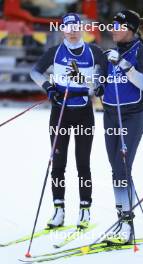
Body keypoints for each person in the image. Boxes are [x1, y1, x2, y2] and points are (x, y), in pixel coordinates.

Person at [30, 13, 106, 228]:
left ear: (81, 29)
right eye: (67, 27)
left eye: (75, 27)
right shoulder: (54, 52)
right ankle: (58, 210)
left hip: (83, 112)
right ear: (62, 30)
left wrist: (100, 85)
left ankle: (84, 210)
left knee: (83, 163)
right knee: (58, 164)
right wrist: (49, 88)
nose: (72, 31)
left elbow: (105, 73)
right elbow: (35, 72)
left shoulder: (94, 51)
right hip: (60, 112)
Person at [101, 10, 143, 243]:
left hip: (132, 116)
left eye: (118, 26)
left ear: (131, 30)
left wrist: (123, 65)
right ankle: (122, 217)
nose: (113, 29)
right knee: (117, 170)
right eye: (112, 25)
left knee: (122, 168)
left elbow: (142, 83)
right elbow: (103, 81)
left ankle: (126, 225)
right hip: (110, 115)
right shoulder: (110, 53)